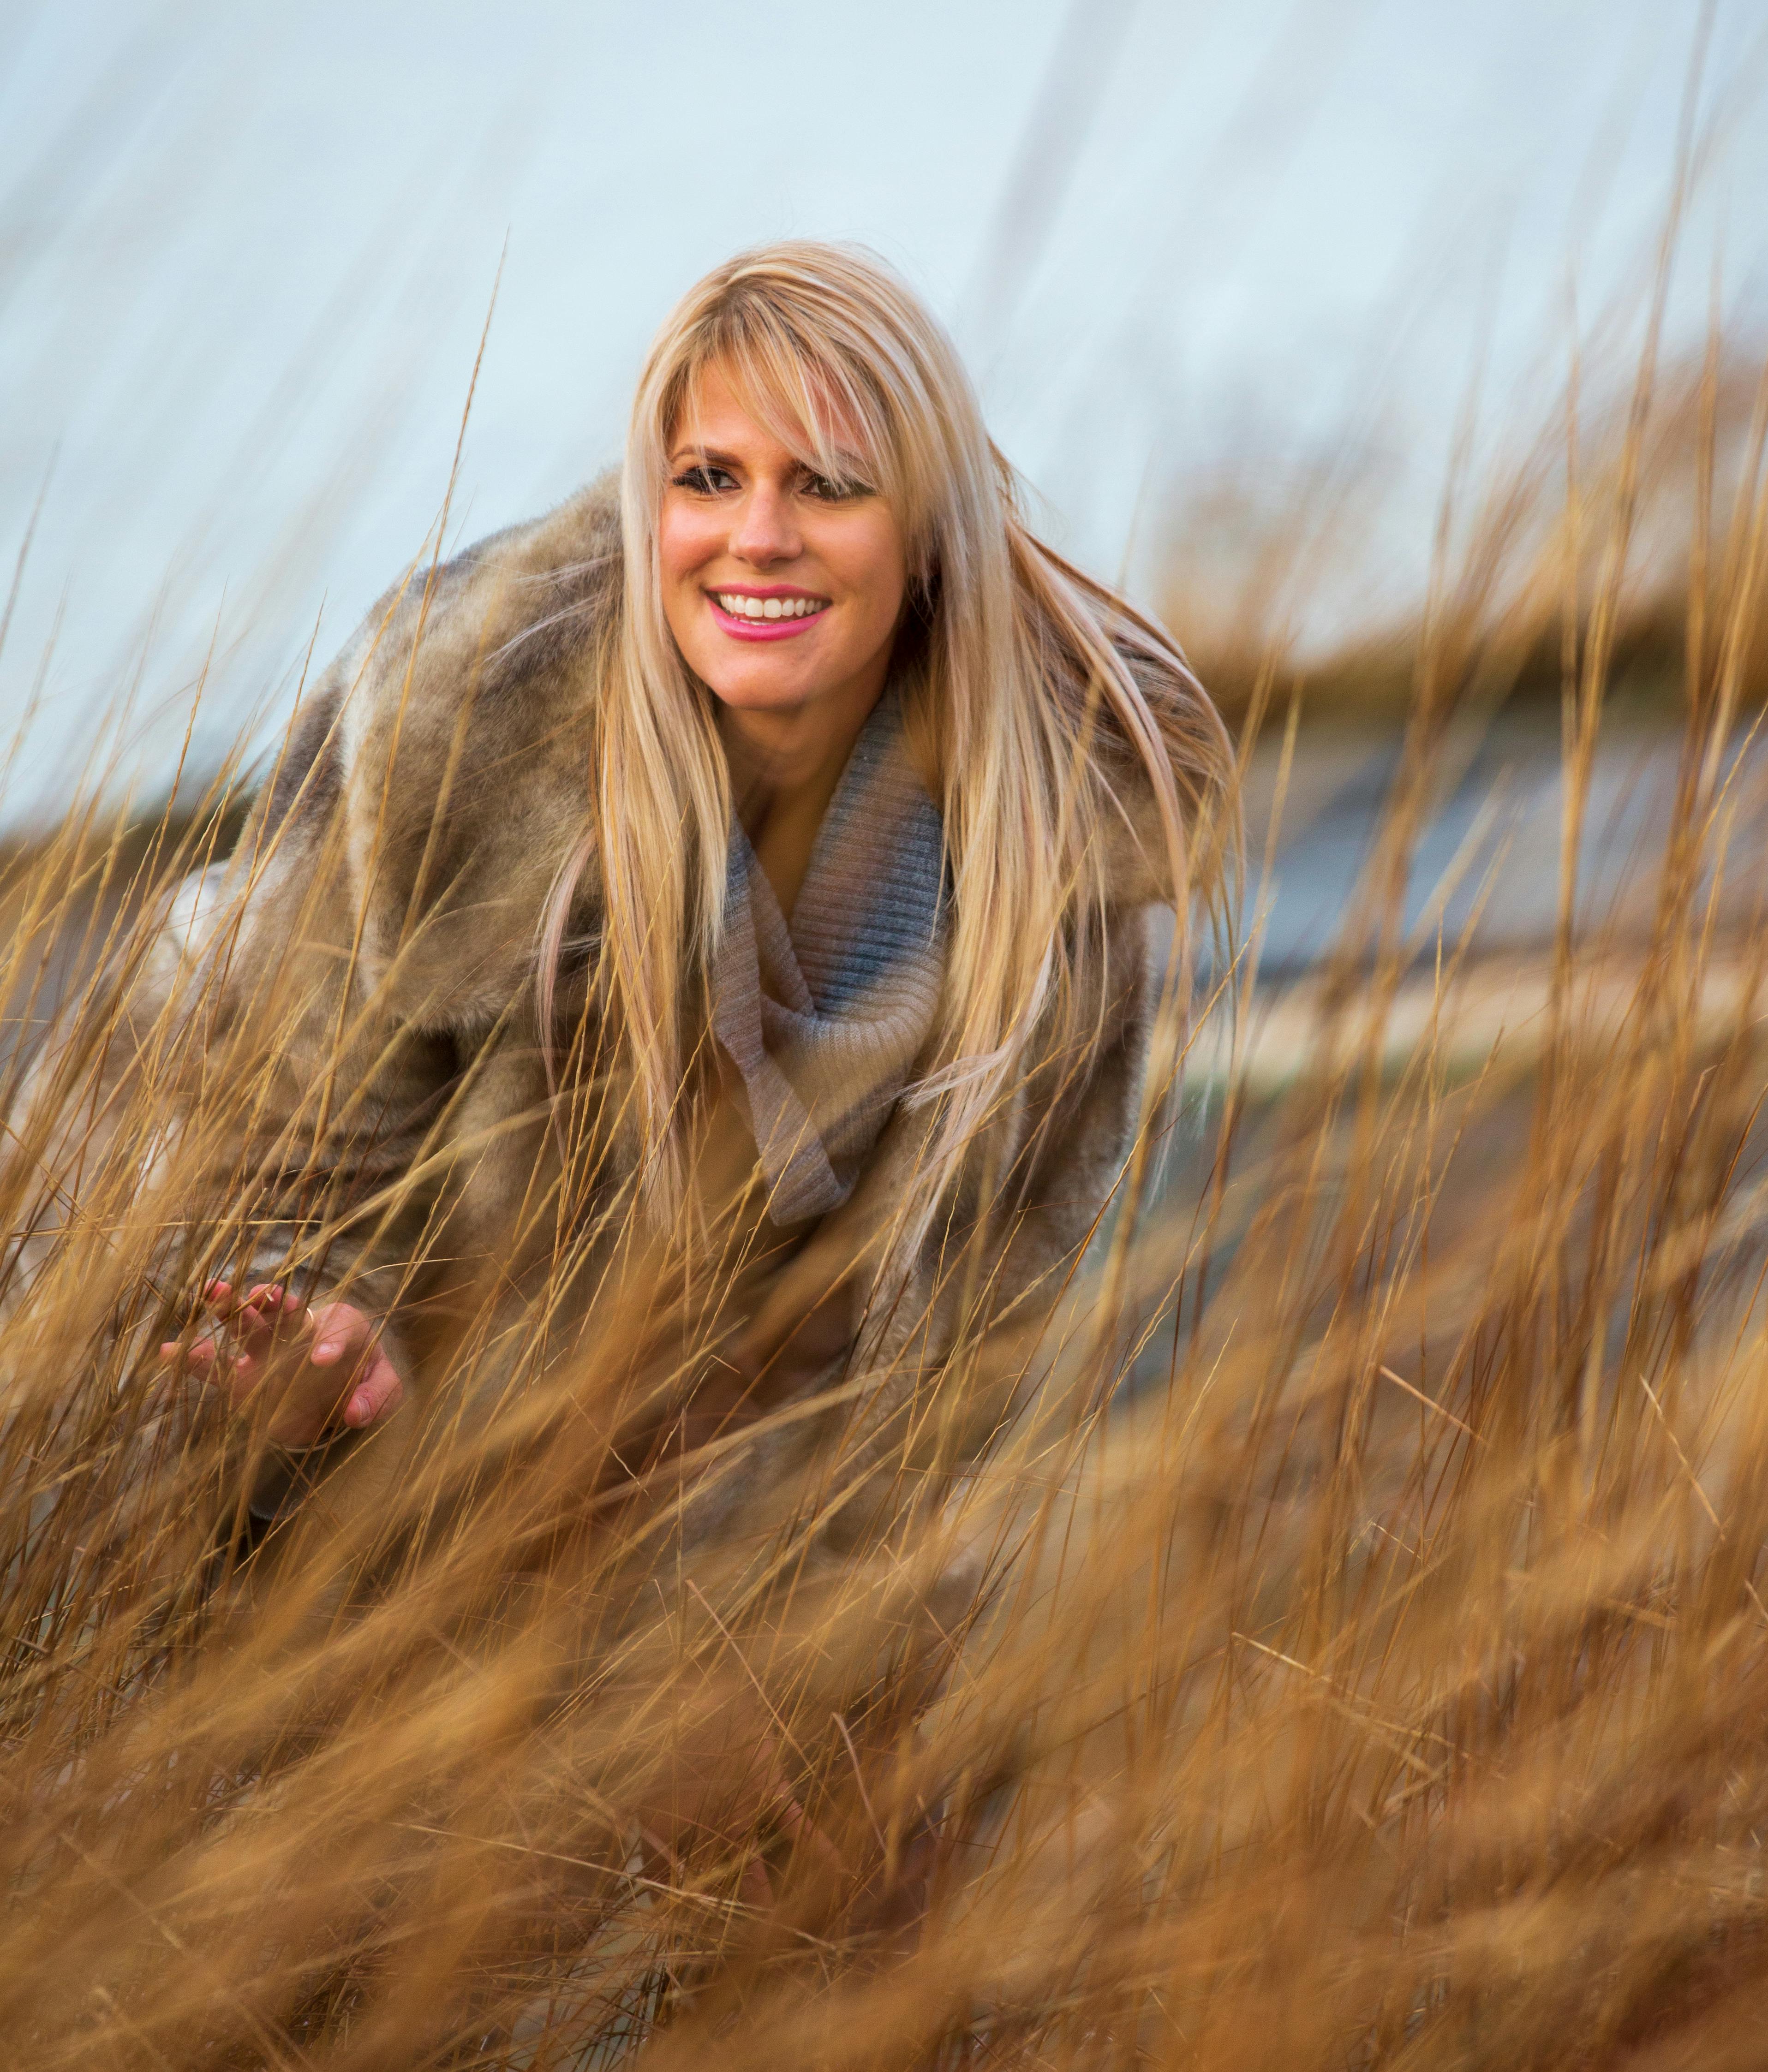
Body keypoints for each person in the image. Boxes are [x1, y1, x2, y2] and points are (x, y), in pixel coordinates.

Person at [48, 240, 1230, 1919]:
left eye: (827, 483)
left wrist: (795, 1672)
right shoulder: (471, 724)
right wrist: (334, 1327)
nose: (757, 534)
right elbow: (299, 1155)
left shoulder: (1063, 898)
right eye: (709, 477)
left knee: (854, 1837)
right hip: (190, 1136)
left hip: (673, 1419)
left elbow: (943, 1388)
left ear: (931, 536)